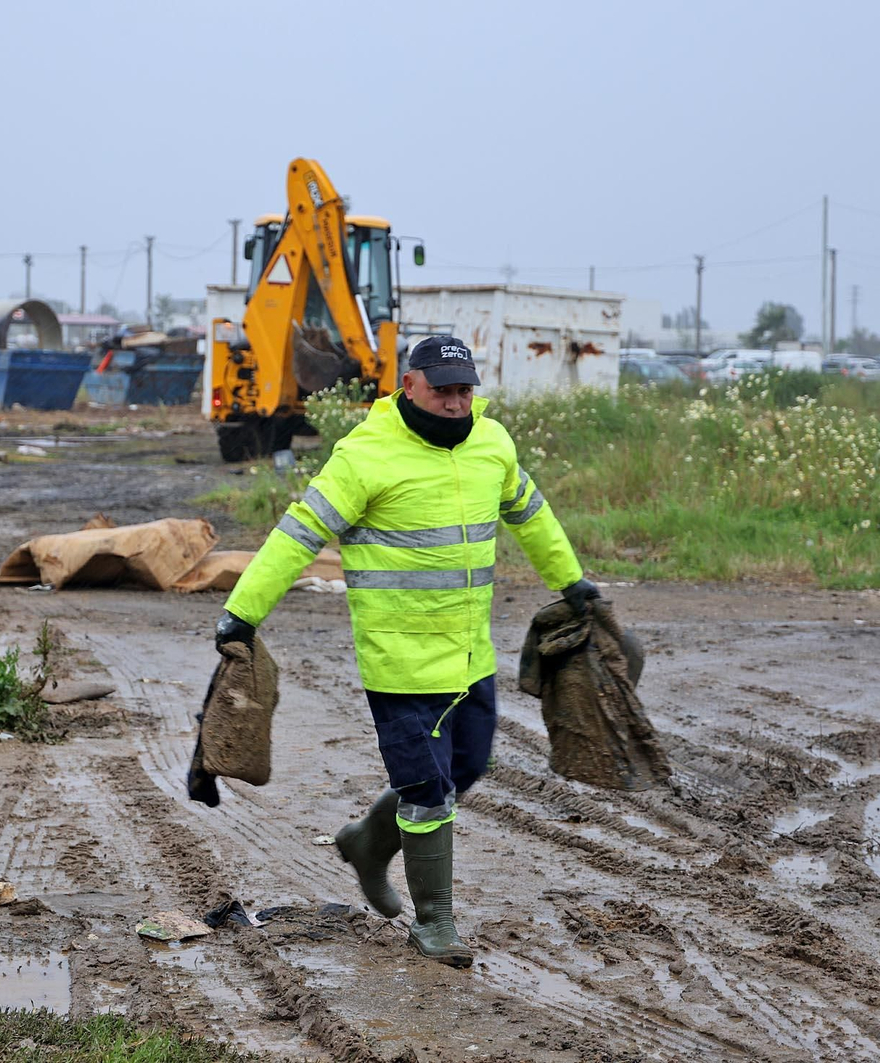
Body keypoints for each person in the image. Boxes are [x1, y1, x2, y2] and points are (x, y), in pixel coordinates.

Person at [215, 335, 598, 967]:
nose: (454, 402)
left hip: (470, 658)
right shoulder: (365, 456)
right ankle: (435, 924)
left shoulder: (492, 445)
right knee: (425, 788)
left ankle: (367, 841)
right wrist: (242, 612)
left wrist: (572, 581)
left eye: (464, 390)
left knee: (464, 772)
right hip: (397, 663)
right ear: (409, 386)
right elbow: (297, 535)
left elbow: (531, 515)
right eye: (442, 389)